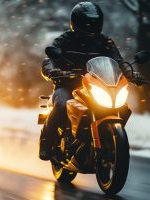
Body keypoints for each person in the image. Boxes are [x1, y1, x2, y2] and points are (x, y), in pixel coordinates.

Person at [39, 1, 143, 161]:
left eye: (94, 22)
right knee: (60, 105)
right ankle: (46, 144)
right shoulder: (65, 39)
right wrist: (54, 71)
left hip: (97, 85)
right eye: (87, 22)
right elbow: (48, 60)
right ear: (77, 22)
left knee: (122, 107)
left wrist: (131, 74)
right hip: (68, 85)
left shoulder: (105, 41)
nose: (90, 26)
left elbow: (119, 61)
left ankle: (109, 139)